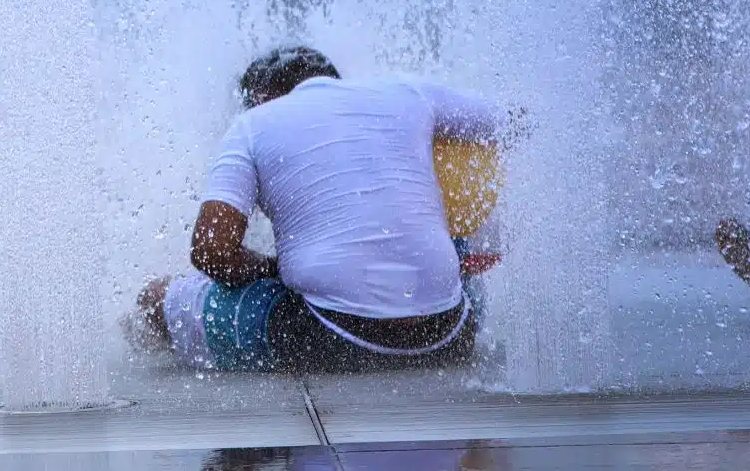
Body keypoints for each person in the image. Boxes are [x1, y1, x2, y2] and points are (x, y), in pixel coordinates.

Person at [126, 46, 502, 373]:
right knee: (462, 258)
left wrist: (270, 268)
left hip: (326, 340)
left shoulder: (252, 126)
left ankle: (134, 335)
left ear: (260, 96)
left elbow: (211, 252)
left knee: (155, 297)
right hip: (449, 334)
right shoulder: (408, 94)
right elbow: (512, 124)